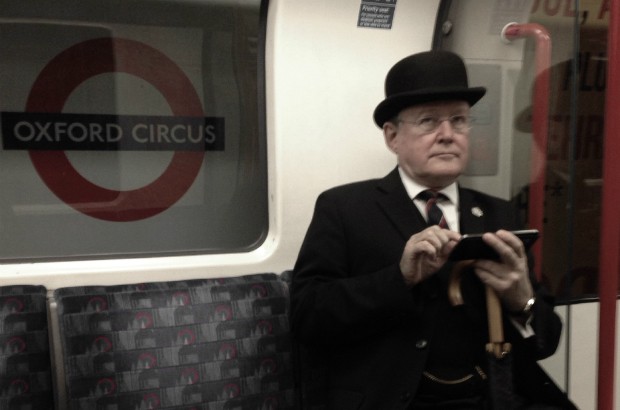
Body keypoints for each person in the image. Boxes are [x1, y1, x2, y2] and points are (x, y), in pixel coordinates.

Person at [290, 51, 575, 409]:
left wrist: (522, 300)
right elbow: (308, 318)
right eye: (429, 121)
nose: (447, 135)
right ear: (393, 137)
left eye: (459, 120)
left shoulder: (498, 213)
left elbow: (546, 343)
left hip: (491, 396)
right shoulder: (346, 209)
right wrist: (400, 278)